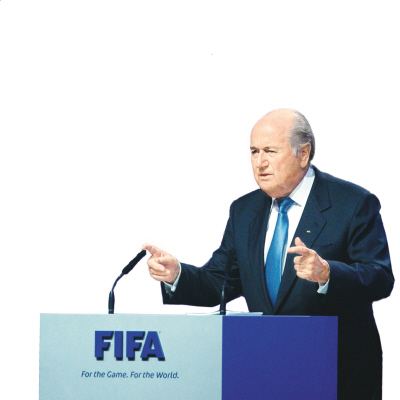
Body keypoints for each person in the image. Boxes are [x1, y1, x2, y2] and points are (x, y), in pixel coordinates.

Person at [144, 109, 394, 400]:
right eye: (254, 151)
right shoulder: (244, 211)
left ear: (303, 154)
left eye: (270, 151)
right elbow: (221, 282)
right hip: (266, 370)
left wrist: (328, 274)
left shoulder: (352, 203)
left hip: (336, 371)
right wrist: (177, 275)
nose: (259, 163)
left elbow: (380, 278)